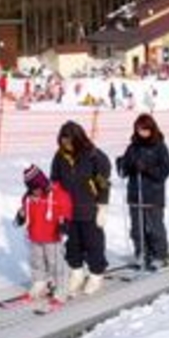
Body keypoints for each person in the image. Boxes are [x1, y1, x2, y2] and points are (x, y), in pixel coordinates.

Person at [50, 121, 111, 296]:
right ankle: (76, 273)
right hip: (69, 210)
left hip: (89, 208)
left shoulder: (93, 156)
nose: (66, 145)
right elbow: (55, 180)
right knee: (73, 245)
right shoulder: (60, 156)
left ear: (78, 139)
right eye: (63, 141)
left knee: (93, 243)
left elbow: (103, 183)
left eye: (69, 141)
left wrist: (103, 206)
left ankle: (96, 274)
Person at [116, 114, 169, 271]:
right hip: (135, 193)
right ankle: (142, 252)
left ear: (152, 129)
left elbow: (165, 170)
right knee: (137, 229)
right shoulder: (133, 147)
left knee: (154, 227)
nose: (142, 133)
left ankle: (160, 255)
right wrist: (122, 165)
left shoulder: (159, 147)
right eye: (139, 129)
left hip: (153, 195)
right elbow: (124, 172)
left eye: (145, 129)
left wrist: (147, 168)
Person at [13, 165, 73, 308]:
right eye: (32, 188)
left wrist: (65, 222)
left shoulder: (58, 194)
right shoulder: (29, 197)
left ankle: (61, 289)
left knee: (55, 264)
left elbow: (66, 207)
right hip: (35, 236)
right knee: (36, 262)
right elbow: (24, 211)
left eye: (37, 187)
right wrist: (20, 217)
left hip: (52, 236)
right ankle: (39, 284)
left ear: (43, 183)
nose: (35, 191)